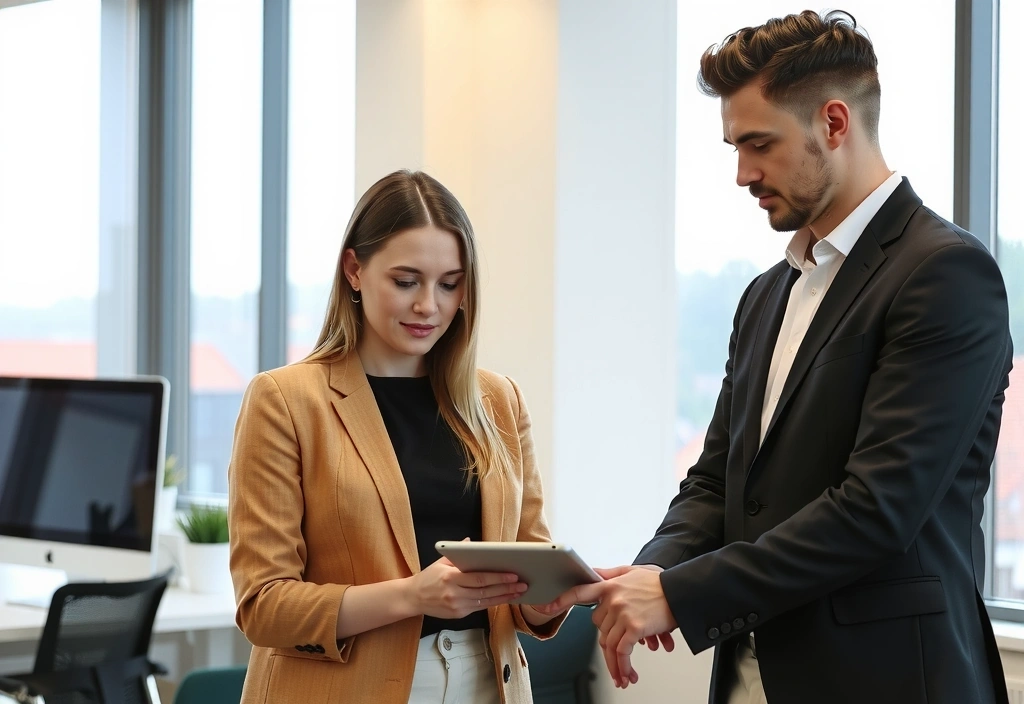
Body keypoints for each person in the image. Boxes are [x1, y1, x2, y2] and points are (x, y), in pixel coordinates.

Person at [540, 10, 1014, 704]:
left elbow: (877, 508)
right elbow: (716, 482)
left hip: (885, 683)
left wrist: (680, 594)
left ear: (834, 122)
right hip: (749, 677)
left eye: (759, 144)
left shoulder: (944, 275)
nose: (742, 173)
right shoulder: (766, 294)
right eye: (734, 147)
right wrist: (652, 572)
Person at [228, 170, 566, 704]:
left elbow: (527, 560)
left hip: (487, 684)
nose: (429, 305)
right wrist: (412, 596)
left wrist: (545, 598)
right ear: (354, 270)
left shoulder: (500, 400)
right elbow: (263, 607)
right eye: (406, 281)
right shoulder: (285, 400)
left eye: (449, 284)